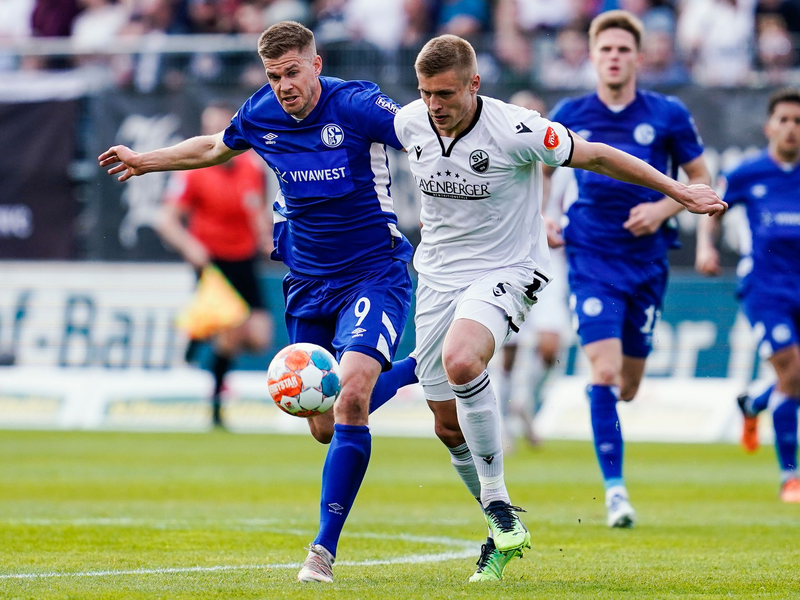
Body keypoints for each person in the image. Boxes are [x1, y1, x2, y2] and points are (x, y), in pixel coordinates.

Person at [99, 20, 419, 583]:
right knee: (322, 423)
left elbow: (425, 137)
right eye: (274, 76)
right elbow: (214, 146)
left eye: (293, 73)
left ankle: (322, 550)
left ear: (315, 65)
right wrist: (147, 159)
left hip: (374, 273)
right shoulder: (262, 111)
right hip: (308, 282)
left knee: (349, 397)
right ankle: (421, 369)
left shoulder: (358, 105)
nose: (284, 86)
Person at [394, 34, 724, 581]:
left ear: (474, 84)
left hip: (506, 270)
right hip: (436, 278)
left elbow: (595, 155)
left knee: (462, 361)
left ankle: (499, 503)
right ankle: (502, 531)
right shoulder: (409, 122)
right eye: (426, 93)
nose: (435, 106)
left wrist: (681, 192)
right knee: (447, 427)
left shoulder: (517, 127)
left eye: (446, 94)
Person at [544, 10, 713, 529]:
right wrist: (546, 217)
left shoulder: (666, 114)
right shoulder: (570, 111)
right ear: (592, 57)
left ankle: (614, 459)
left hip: (647, 264)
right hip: (592, 257)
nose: (614, 57)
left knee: (630, 385)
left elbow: (701, 177)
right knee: (605, 372)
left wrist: (664, 208)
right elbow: (539, 173)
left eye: (623, 50)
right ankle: (616, 492)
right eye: (605, 50)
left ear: (638, 57)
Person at [696, 88, 800, 504]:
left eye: (799, 121)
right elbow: (712, 209)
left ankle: (755, 402)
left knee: (792, 379)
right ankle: (789, 478)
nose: (792, 128)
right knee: (792, 375)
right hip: (765, 290)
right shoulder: (748, 173)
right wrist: (706, 247)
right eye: (785, 120)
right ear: (770, 126)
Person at [156, 101, 274, 429]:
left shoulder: (252, 166)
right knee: (233, 334)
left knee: (260, 338)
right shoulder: (194, 172)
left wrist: (267, 239)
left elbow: (256, 211)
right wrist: (190, 246)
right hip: (212, 262)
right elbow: (165, 220)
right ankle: (216, 408)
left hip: (244, 259)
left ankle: (200, 330)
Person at [494, 90, 574, 451]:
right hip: (509, 260)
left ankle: (523, 404)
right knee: (506, 349)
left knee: (549, 345)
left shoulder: (566, 167)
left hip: (551, 264)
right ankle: (503, 422)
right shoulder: (503, 160)